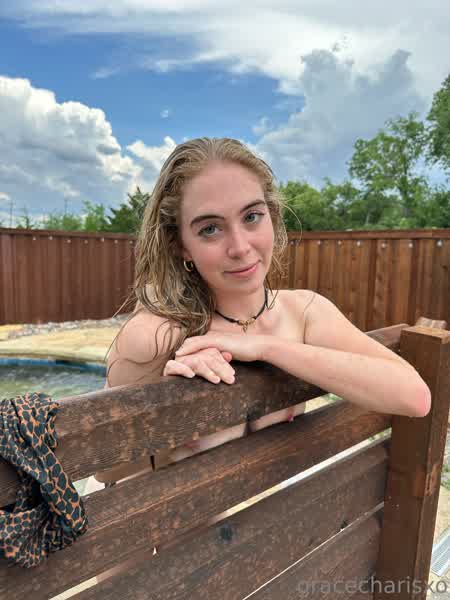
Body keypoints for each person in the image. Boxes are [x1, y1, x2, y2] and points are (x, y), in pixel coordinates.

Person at [95, 135, 431, 488]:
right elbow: (107, 474)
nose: (240, 247)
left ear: (272, 216)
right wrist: (171, 409)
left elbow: (414, 396)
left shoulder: (304, 311)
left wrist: (266, 347)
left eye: (252, 217)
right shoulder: (157, 336)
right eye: (210, 229)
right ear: (181, 246)